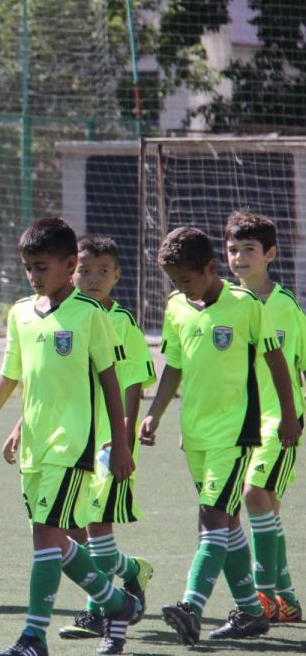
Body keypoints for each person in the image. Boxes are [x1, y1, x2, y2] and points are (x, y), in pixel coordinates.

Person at [0, 218, 140, 656]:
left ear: (69, 264)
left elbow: (111, 381)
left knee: (46, 537)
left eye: (41, 267)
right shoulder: (20, 313)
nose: (33, 275)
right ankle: (117, 604)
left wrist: (121, 442)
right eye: (28, 267)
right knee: (57, 543)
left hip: (72, 444)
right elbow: (10, 375)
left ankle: (33, 637)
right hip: (35, 447)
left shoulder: (90, 314)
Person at [139, 226, 301, 645]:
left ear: (211, 268)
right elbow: (174, 366)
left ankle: (191, 607)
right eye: (173, 280)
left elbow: (277, 363)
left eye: (186, 278)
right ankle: (251, 612)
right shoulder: (177, 307)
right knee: (226, 523)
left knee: (212, 518)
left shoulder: (246, 305)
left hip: (236, 434)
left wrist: (289, 416)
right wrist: (154, 414)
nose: (180, 287)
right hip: (195, 435)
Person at [1, 235, 155, 642]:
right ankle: (124, 583)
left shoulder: (118, 321)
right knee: (69, 533)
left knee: (92, 531)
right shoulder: (51, 315)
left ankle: (98, 611)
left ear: (117, 276)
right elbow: (47, 385)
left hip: (102, 444)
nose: (93, 279)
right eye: (86, 270)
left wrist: (123, 439)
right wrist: (19, 426)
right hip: (58, 440)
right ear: (73, 270)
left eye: (102, 271)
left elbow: (130, 382)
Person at [223, 212, 304, 623]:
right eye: (233, 249)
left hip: (280, 420)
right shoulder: (227, 304)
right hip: (240, 422)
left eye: (249, 249)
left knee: (254, 493)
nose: (239, 257)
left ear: (270, 254)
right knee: (266, 505)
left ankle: (262, 595)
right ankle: (286, 599)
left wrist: (295, 417)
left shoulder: (286, 307)